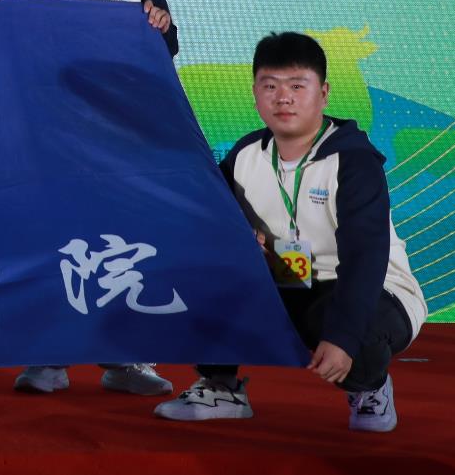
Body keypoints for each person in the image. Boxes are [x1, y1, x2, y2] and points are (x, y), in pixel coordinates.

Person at [155, 32, 425, 432]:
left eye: (297, 86)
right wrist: (240, 238)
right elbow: (210, 217)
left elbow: (365, 258)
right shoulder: (246, 155)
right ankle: (221, 385)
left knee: (354, 331)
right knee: (202, 273)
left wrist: (344, 337)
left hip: (372, 289)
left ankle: (370, 386)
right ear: (255, 94)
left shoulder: (353, 161)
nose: (283, 98)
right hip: (287, 282)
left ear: (324, 93)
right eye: (270, 86)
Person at [0, 0, 177, 397]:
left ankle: (127, 359)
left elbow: (164, 48)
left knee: (118, 239)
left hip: (114, 132)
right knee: (52, 239)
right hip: (43, 132)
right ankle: (49, 357)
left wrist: (160, 25)